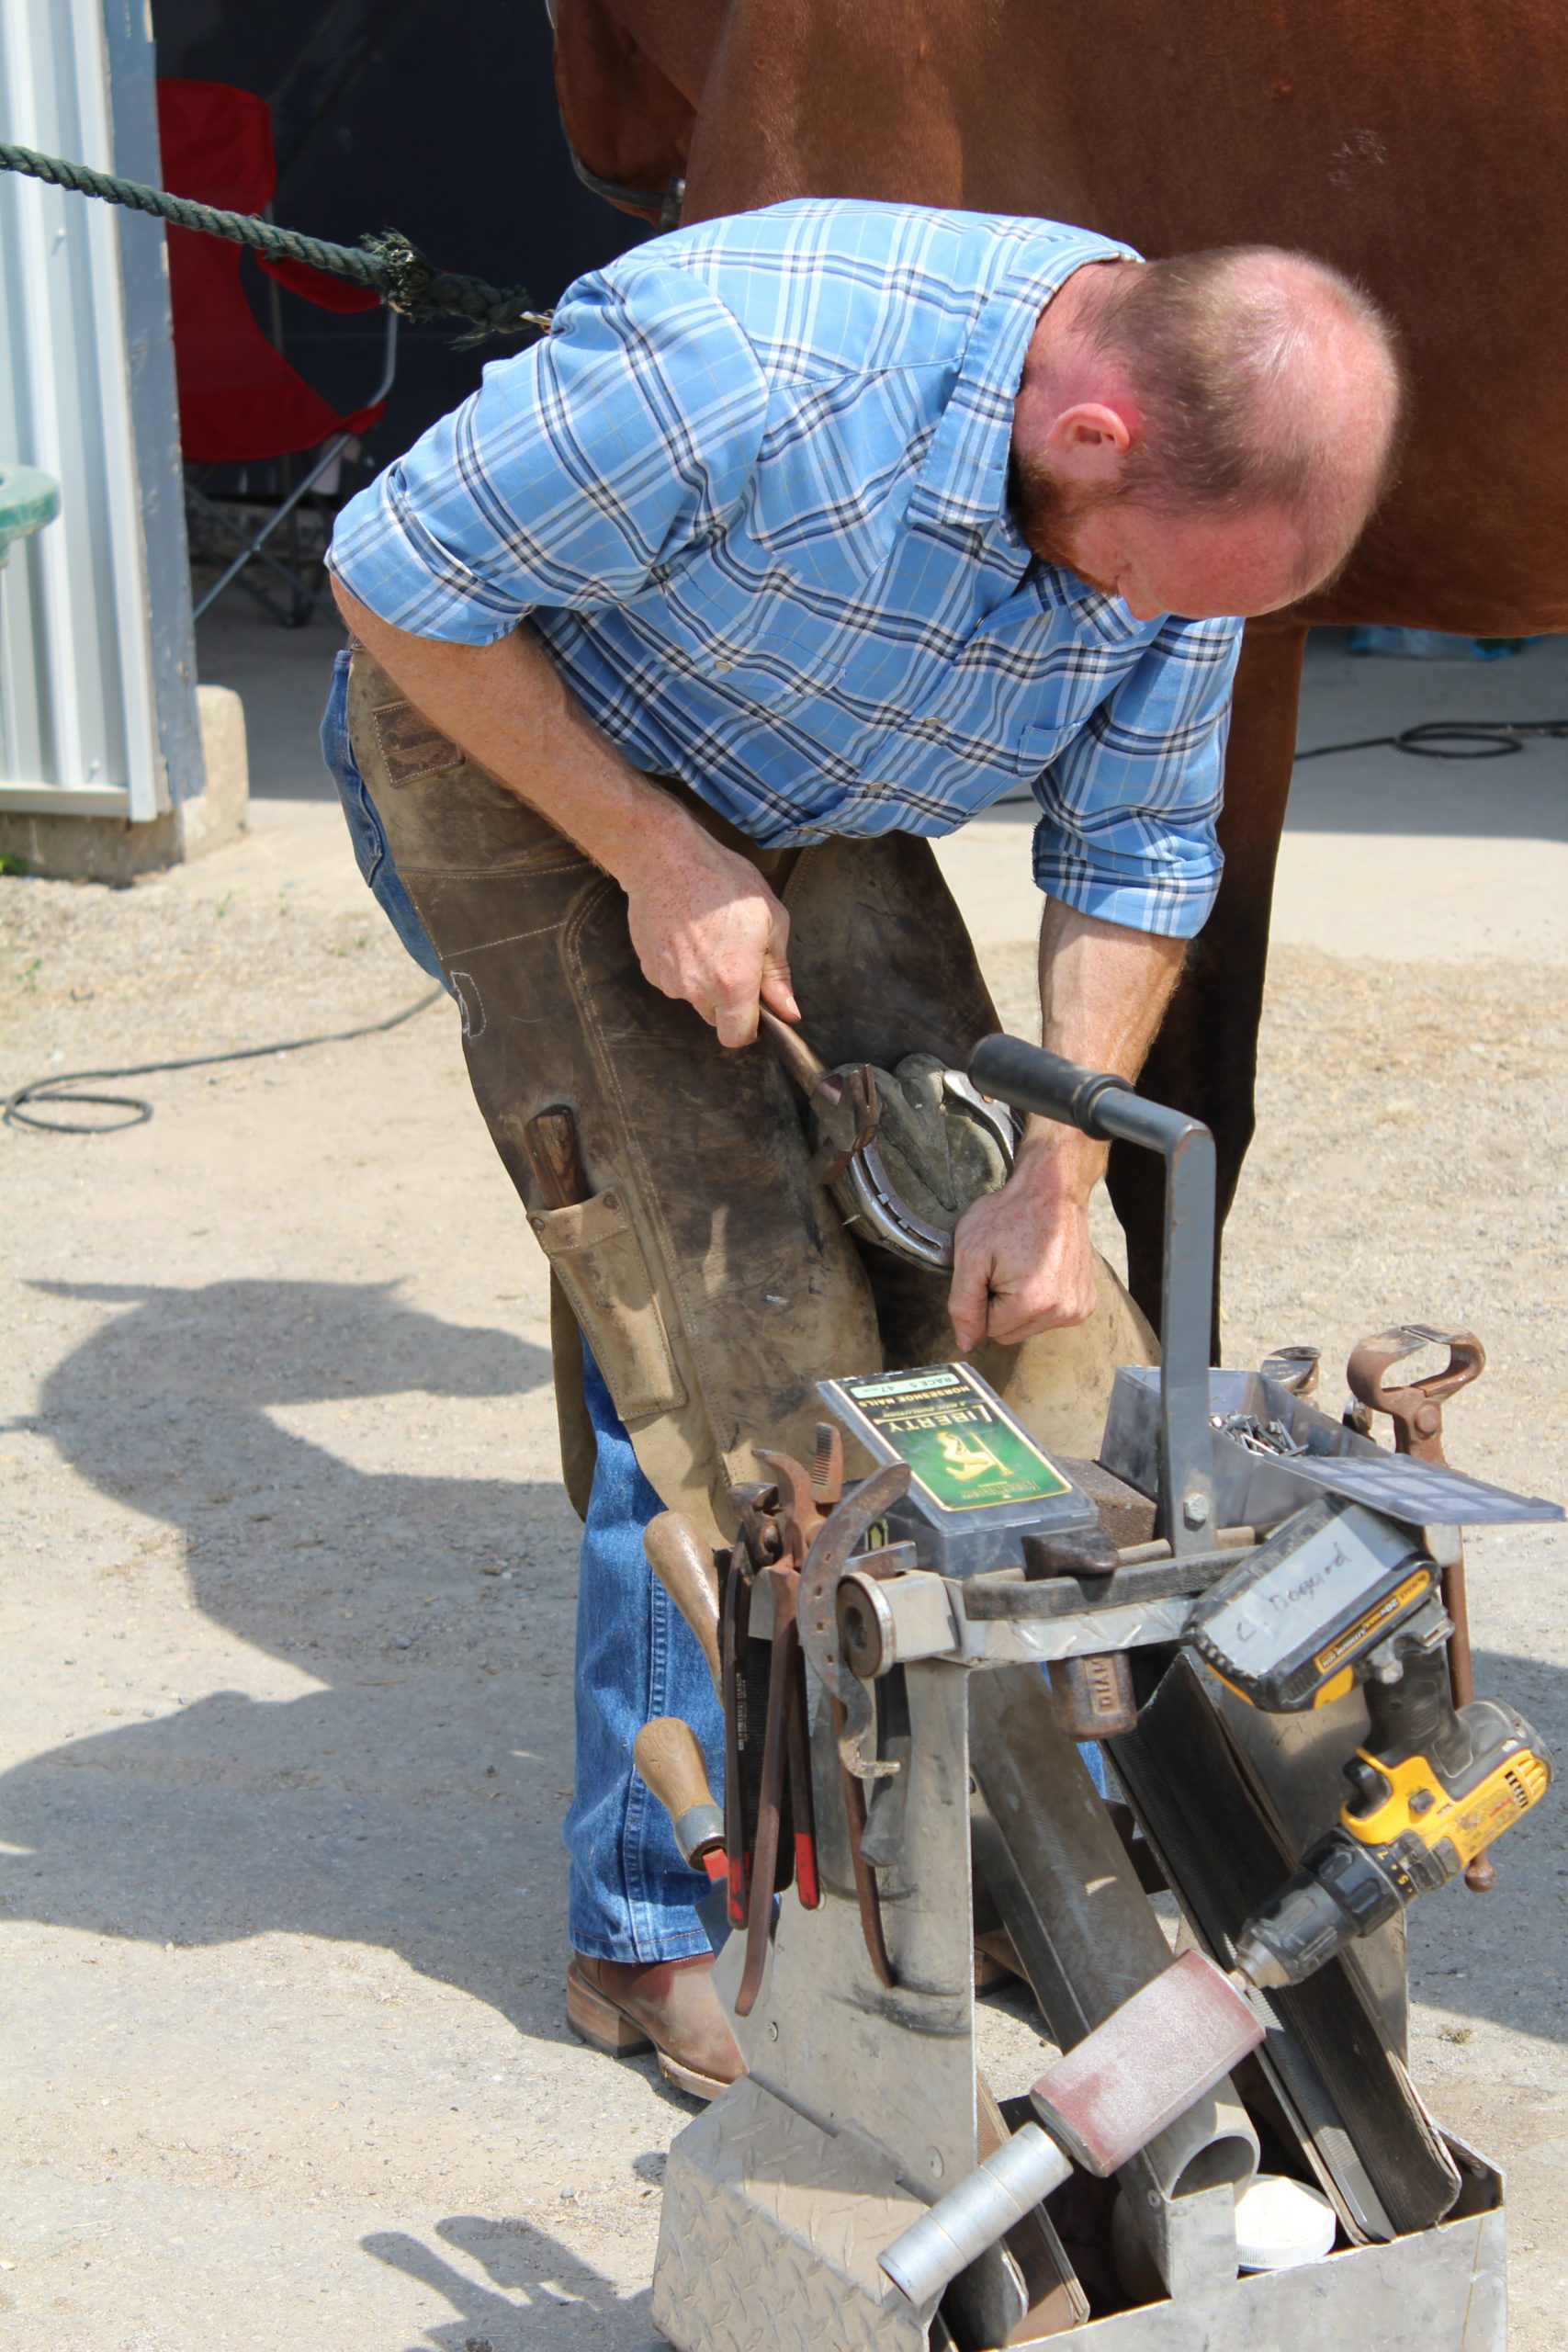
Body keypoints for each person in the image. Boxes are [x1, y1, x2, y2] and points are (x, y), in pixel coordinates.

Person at [321, 198, 1404, 2099]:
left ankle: (989, 1846)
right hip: (515, 730)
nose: (1161, 629)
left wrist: (1051, 1180)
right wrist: (657, 851)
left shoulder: (1174, 520)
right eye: (1149, 587)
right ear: (1087, 436)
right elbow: (396, 573)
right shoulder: (747, 365)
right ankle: (654, 1914)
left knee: (1025, 1333)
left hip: (811, 772)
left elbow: (1140, 850)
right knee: (721, 1342)